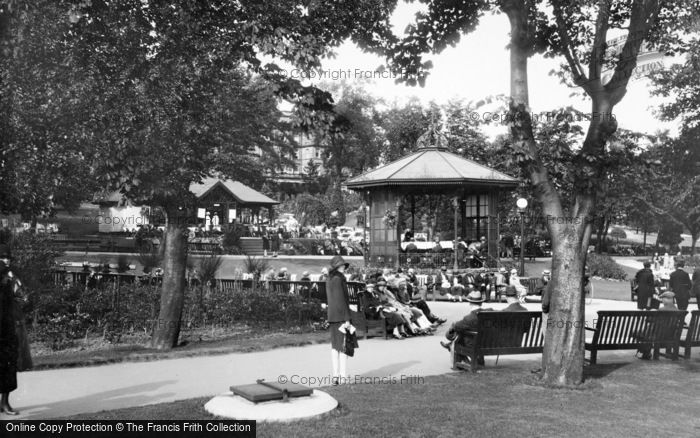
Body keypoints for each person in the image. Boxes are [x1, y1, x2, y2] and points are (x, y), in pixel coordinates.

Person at [1, 243, 30, 415]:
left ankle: (5, 403)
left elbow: (25, 298)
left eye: (8, 258)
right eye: (3, 258)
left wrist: (14, 283)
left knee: (8, 367)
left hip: (7, 328)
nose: (6, 261)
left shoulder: (12, 278)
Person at [440, 290, 491, 366]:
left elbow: (454, 330)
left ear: (470, 303)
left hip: (474, 343)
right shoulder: (490, 312)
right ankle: (451, 345)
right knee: (463, 329)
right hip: (488, 343)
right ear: (481, 302)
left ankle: (454, 349)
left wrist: (453, 326)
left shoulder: (469, 318)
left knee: (458, 335)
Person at [326, 255, 353, 385]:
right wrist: (347, 318)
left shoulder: (330, 279)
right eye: (341, 265)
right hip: (341, 317)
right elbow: (341, 301)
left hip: (333, 316)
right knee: (342, 346)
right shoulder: (338, 279)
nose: (343, 267)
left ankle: (336, 376)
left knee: (335, 347)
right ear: (337, 267)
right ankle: (342, 376)